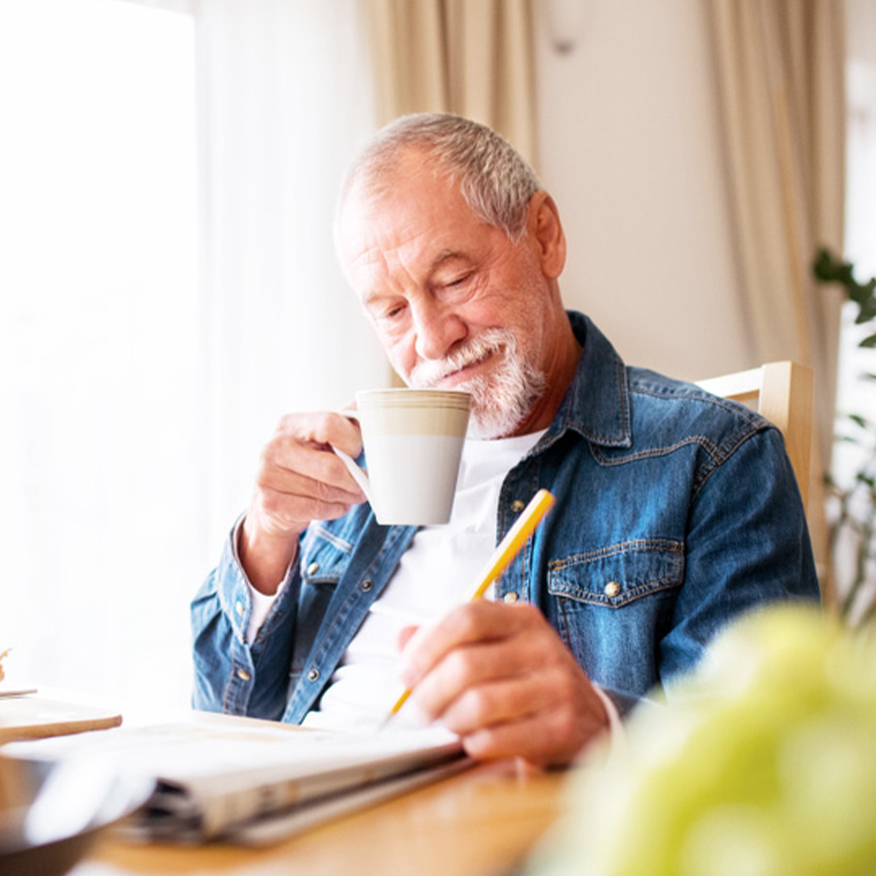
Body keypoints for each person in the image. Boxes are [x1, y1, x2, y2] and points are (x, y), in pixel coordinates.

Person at [192, 113, 819, 768]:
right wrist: (266, 537)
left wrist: (603, 729)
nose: (433, 341)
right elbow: (219, 721)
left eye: (455, 280)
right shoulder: (355, 465)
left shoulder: (709, 456)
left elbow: (770, 758)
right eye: (393, 311)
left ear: (543, 236)